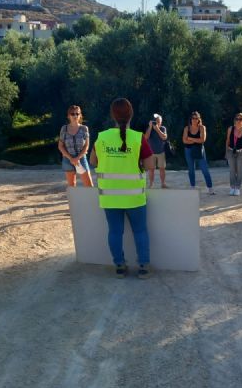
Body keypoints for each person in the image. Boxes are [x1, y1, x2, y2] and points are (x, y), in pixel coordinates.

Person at [90, 98, 154, 279]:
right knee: (140, 231)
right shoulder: (138, 137)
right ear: (131, 114)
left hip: (109, 197)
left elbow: (93, 161)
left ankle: (119, 266)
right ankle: (143, 267)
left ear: (113, 115)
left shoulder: (102, 137)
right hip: (134, 197)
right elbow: (150, 165)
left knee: (115, 232)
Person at [58, 105, 93, 188]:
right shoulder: (64, 129)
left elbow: (86, 146)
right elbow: (60, 146)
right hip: (68, 159)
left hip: (81, 159)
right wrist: (71, 158)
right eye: (72, 114)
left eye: (77, 114)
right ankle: (73, 201)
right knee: (72, 186)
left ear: (80, 115)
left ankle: (90, 201)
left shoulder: (84, 128)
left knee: (89, 185)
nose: (75, 116)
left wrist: (77, 158)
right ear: (68, 116)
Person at [182, 111, 214, 194]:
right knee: (191, 169)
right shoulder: (187, 128)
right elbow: (184, 141)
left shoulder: (202, 128)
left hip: (199, 150)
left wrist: (191, 139)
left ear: (199, 119)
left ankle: (210, 188)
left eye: (196, 118)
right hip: (188, 150)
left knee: (204, 169)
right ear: (191, 119)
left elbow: (203, 140)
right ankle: (192, 186)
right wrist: (196, 141)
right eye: (193, 118)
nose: (194, 120)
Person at [225, 113, 242, 196]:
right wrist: (226, 152)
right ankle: (232, 187)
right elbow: (228, 141)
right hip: (230, 151)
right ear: (234, 120)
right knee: (232, 170)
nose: (238, 121)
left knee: (239, 170)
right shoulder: (230, 129)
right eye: (237, 119)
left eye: (240, 119)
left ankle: (237, 187)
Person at [144, 113, 168, 189]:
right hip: (151, 153)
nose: (157, 122)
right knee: (151, 169)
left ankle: (163, 183)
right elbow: (146, 137)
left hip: (161, 152)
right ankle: (151, 184)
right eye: (156, 121)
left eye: (158, 121)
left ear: (161, 122)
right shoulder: (149, 129)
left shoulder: (163, 128)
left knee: (162, 169)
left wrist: (157, 129)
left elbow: (164, 137)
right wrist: (150, 127)